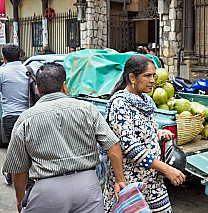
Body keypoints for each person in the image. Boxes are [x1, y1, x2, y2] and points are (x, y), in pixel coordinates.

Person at [2, 63, 126, 213]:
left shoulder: (25, 119)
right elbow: (112, 145)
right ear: (64, 86)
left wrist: (20, 198)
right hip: (87, 185)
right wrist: (120, 179)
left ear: (37, 89)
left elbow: (19, 168)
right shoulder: (88, 109)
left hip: (47, 190)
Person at [103, 55, 186, 212]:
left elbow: (144, 129)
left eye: (154, 75)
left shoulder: (145, 101)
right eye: (147, 75)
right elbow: (130, 147)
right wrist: (166, 169)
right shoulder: (120, 104)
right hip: (130, 183)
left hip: (153, 181)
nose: (153, 80)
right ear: (132, 77)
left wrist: (158, 132)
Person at [0, 43, 35, 187]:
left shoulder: (2, 72)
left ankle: (22, 180)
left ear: (4, 57)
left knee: (14, 149)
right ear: (20, 55)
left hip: (10, 117)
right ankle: (15, 176)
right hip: (30, 115)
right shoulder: (30, 69)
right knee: (28, 149)